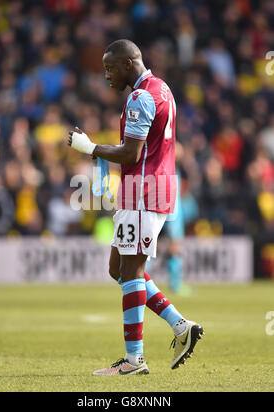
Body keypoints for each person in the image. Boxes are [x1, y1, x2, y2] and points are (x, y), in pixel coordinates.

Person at [67, 39, 203, 375]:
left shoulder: (141, 97)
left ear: (129, 63)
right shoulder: (163, 89)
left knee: (131, 273)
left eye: (110, 68)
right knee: (119, 269)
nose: (107, 76)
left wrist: (91, 148)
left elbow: (132, 153)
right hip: (147, 189)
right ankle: (181, 327)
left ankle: (134, 360)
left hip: (144, 191)